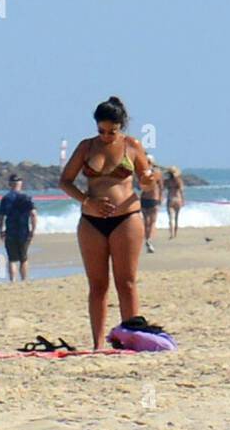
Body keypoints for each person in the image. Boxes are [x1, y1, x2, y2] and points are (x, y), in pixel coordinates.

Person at [59, 96, 158, 350]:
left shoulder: (132, 146)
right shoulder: (86, 147)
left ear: (121, 126)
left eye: (111, 131)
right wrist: (86, 201)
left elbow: (145, 179)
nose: (106, 136)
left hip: (126, 218)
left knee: (126, 282)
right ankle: (97, 343)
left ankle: (131, 337)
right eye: (101, 131)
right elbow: (65, 181)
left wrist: (149, 180)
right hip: (92, 221)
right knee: (97, 285)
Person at [0, 173, 37, 281]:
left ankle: (13, 280)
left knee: (12, 259)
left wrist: (1, 230)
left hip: (10, 231)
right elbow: (33, 214)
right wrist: (33, 230)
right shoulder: (26, 198)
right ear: (21, 184)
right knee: (23, 258)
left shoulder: (5, 198)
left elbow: (1, 217)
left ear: (10, 184)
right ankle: (24, 280)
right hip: (23, 231)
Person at [140, 156, 163, 254]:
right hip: (154, 198)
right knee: (152, 222)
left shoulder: (143, 173)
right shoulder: (157, 173)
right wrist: (161, 198)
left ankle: (147, 239)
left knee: (146, 221)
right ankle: (149, 240)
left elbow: (139, 186)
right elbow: (161, 187)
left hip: (144, 198)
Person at [164, 165, 185, 239]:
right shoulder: (179, 181)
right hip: (178, 199)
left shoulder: (167, 181)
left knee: (170, 218)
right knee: (176, 218)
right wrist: (183, 200)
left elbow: (162, 188)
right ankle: (175, 233)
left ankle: (171, 234)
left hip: (170, 199)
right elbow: (182, 191)